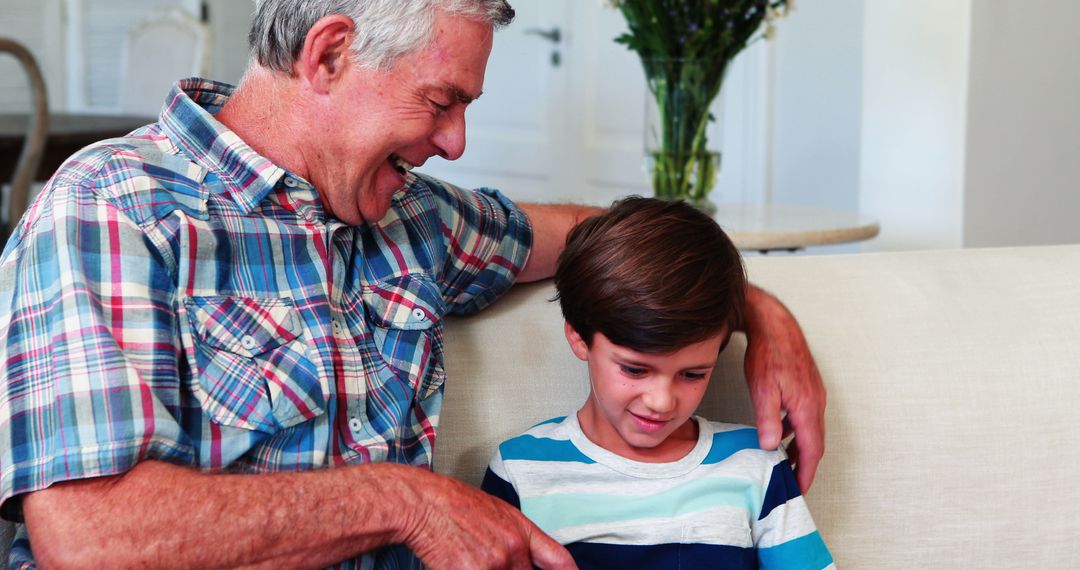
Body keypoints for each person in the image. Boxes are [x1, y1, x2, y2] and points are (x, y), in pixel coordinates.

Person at [0, 1, 824, 568]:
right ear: (328, 54)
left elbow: (612, 241)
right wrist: (408, 503)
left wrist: (755, 307)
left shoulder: (413, 218)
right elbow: (89, 535)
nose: (457, 142)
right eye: (441, 101)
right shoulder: (113, 208)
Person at [482, 197, 834, 569]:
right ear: (579, 337)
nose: (662, 402)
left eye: (693, 374)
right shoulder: (521, 469)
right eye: (635, 369)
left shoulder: (754, 464)